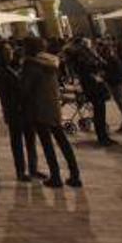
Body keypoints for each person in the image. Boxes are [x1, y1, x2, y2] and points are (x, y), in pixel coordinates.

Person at [20, 36, 81, 188]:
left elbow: (25, 88)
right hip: (53, 105)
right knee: (63, 141)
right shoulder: (52, 62)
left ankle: (55, 176)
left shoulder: (30, 65)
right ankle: (75, 174)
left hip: (38, 107)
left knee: (47, 144)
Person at [0, 39, 39, 182]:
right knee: (17, 141)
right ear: (0, 55)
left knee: (30, 139)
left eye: (10, 50)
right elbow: (2, 89)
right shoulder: (0, 71)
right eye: (6, 51)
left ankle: (33, 168)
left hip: (25, 108)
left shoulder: (16, 65)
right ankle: (21, 171)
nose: (10, 53)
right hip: (13, 110)